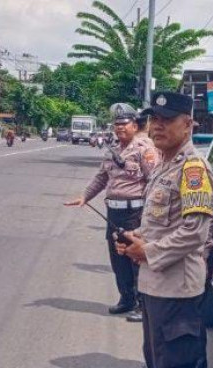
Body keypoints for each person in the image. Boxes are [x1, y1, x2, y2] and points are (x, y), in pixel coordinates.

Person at [115, 92, 213, 368]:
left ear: (188, 124)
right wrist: (134, 236)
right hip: (156, 282)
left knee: (175, 367)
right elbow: (161, 222)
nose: (156, 125)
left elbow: (195, 232)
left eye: (166, 118)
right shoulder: (165, 164)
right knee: (157, 361)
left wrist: (148, 250)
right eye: (153, 118)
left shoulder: (192, 169)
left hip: (178, 288)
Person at [65, 103, 159, 318]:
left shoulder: (145, 150)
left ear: (135, 126)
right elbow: (101, 177)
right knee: (118, 259)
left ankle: (142, 305)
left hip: (136, 212)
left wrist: (151, 214)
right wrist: (84, 197)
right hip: (114, 213)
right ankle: (126, 299)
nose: (119, 128)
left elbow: (154, 181)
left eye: (124, 124)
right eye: (116, 125)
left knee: (137, 259)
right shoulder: (113, 152)